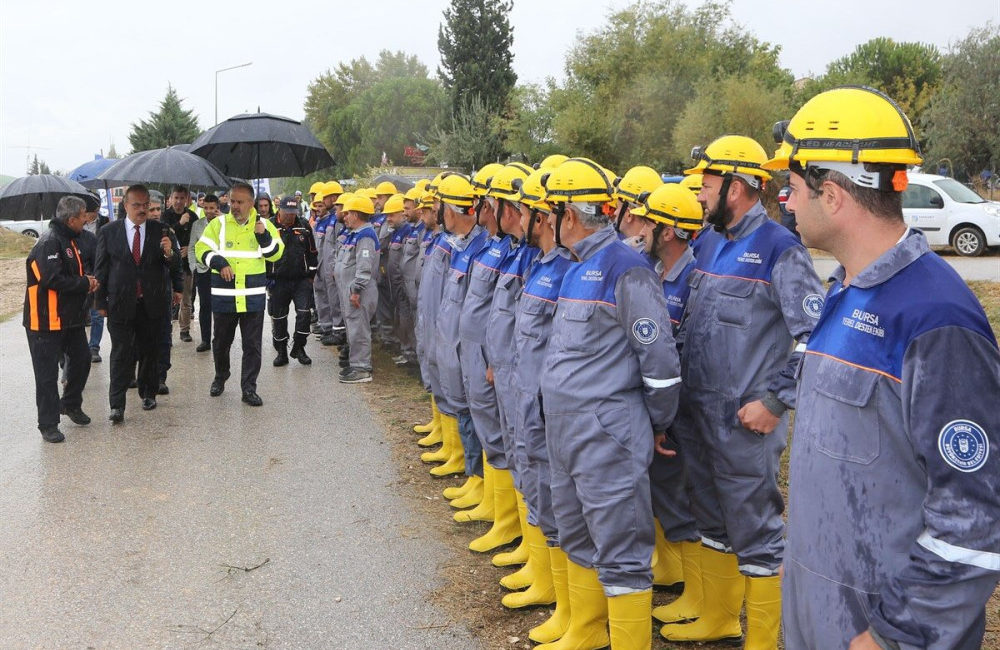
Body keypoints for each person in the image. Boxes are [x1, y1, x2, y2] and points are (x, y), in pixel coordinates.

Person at [764, 86, 1000, 650]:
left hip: (879, 630)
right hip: (821, 612)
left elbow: (975, 517)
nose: (785, 203)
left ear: (834, 195)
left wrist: (897, 635)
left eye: (792, 189)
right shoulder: (844, 289)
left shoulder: (934, 318)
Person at [662, 135, 823, 648]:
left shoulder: (781, 249)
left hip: (744, 424)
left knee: (755, 532)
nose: (700, 196)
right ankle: (719, 617)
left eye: (708, 185)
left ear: (737, 186)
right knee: (710, 519)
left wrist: (775, 402)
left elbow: (813, 337)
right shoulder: (707, 243)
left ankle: (761, 641)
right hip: (698, 417)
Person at [540, 157, 681, 650]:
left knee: (621, 549)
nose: (544, 222)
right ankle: (588, 633)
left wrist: (659, 423)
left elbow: (658, 357)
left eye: (549, 213)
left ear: (570, 217)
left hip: (606, 433)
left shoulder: (626, 268)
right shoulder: (576, 267)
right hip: (567, 431)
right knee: (575, 533)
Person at [631, 182, 706, 626]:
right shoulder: (650, 271)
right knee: (663, 494)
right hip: (656, 408)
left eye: (651, 223)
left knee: (686, 502)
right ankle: (678, 576)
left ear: (673, 231)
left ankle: (699, 595)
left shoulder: (694, 280)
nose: (641, 228)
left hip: (680, 411)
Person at [508, 169, 576, 641]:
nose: (517, 216)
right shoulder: (541, 263)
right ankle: (546, 578)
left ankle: (571, 606)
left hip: (553, 405)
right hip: (528, 395)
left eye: (526, 209)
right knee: (535, 479)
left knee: (556, 493)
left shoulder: (568, 270)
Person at [95, 185, 182, 422]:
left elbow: (173, 265)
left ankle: (148, 392)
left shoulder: (160, 230)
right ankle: (117, 405)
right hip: (121, 304)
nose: (142, 210)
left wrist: (168, 254)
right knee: (121, 354)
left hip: (151, 302)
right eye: (137, 205)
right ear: (125, 206)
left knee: (149, 351)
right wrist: (99, 300)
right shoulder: (108, 232)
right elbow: (101, 269)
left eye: (146, 205)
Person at [194, 182, 284, 406]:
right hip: (225, 296)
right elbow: (201, 249)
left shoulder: (263, 225)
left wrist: (263, 237)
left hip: (252, 297)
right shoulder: (219, 224)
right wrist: (218, 261)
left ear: (251, 203)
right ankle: (221, 375)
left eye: (240, 202)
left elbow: (276, 254)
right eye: (232, 201)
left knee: (252, 346)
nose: (234, 206)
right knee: (221, 342)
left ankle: (249, 388)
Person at [24, 195, 98, 443]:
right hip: (44, 321)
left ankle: (70, 404)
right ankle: (48, 424)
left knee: (83, 359)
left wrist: (88, 282)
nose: (86, 220)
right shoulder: (48, 242)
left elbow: (73, 273)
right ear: (71, 219)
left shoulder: (70, 240)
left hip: (69, 319)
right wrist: (84, 283)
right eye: (83, 215)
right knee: (45, 375)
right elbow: (51, 279)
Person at [333, 194, 380, 383]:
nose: (345, 217)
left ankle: (362, 368)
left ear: (357, 214)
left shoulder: (365, 235)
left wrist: (356, 290)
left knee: (359, 328)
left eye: (349, 213)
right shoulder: (355, 234)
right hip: (351, 291)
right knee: (353, 327)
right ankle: (356, 363)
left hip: (360, 293)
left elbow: (364, 266)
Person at [268, 196, 318, 367]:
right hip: (278, 281)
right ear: (279, 210)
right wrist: (267, 277)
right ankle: (281, 351)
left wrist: (311, 276)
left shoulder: (304, 225)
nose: (290, 216)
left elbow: (312, 252)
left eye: (293, 212)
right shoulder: (269, 225)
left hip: (301, 280)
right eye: (287, 212)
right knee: (279, 317)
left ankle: (299, 346)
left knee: (304, 314)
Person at [162, 186, 197, 343]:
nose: (178, 201)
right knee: (167, 298)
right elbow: (165, 234)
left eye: (182, 198)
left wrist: (190, 247)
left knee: (186, 297)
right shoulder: (165, 215)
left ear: (187, 199)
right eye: (176, 198)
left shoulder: (193, 216)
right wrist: (179, 223)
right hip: (168, 262)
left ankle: (185, 329)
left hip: (186, 263)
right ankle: (166, 331)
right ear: (170, 198)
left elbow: (199, 238)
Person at [382, 193, 413, 365]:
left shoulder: (408, 232)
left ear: (402, 214)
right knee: (399, 317)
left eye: (392, 215)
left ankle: (410, 353)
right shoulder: (395, 232)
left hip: (403, 284)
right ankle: (405, 349)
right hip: (393, 284)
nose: (388, 218)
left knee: (406, 319)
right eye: (387, 215)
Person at [188, 194, 220, 352]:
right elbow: (192, 247)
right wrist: (193, 266)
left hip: (221, 271)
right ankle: (205, 340)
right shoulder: (197, 224)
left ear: (217, 208)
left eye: (212, 208)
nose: (208, 211)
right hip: (203, 270)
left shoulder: (225, 222)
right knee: (205, 305)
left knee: (220, 306)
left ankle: (219, 338)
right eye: (206, 208)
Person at [81, 196, 109, 363]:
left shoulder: (105, 222)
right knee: (80, 314)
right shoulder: (77, 224)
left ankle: (94, 347)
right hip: (81, 273)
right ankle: (80, 349)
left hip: (98, 271)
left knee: (97, 313)